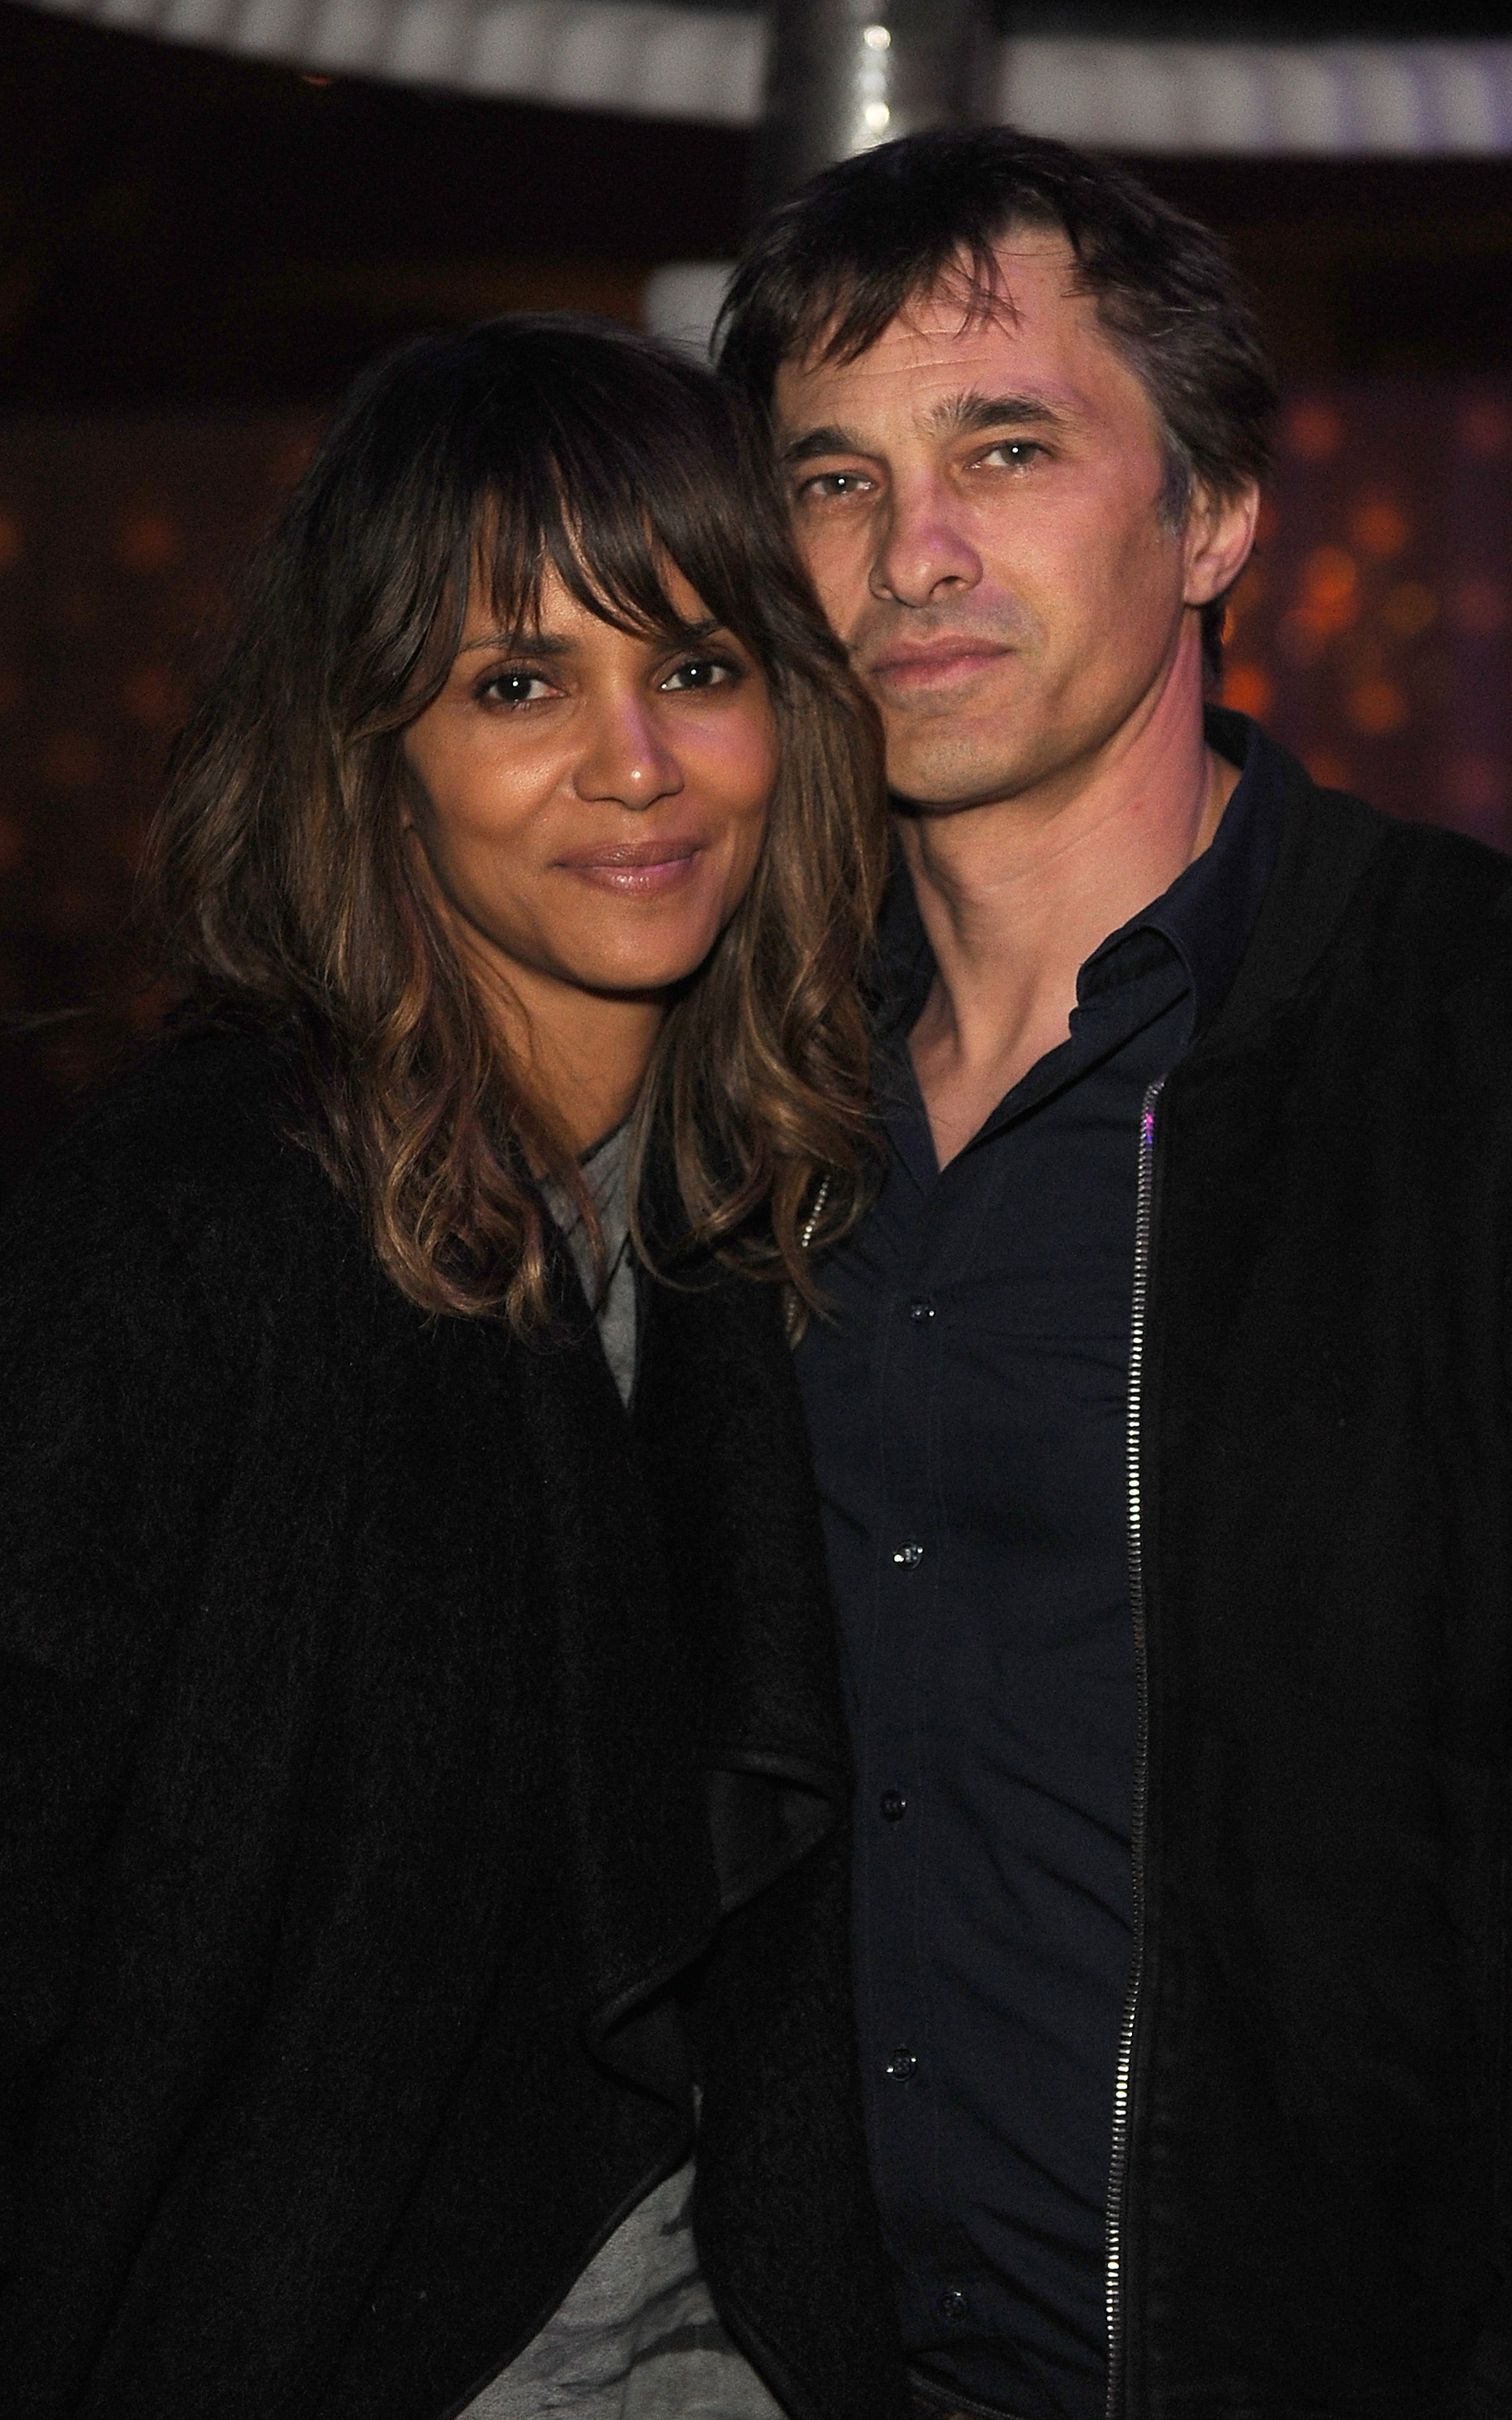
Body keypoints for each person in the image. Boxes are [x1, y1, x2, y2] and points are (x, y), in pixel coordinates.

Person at [716, 127, 1512, 2420]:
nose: (910, 552)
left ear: (1216, 514)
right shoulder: (728, 1094)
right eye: (832, 481)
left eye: (1006, 447)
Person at [0, 314, 911, 2420]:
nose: (637, 762)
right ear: (367, 741)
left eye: (695, 666)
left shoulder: (734, 1212)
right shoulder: (185, 1234)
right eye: (520, 683)